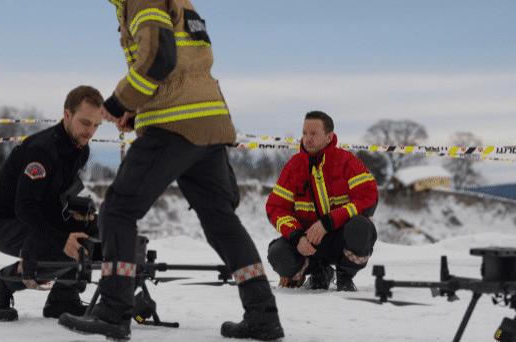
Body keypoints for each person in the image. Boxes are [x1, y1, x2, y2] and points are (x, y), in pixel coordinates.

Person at [58, 1, 283, 340]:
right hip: (209, 121)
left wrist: (120, 101)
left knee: (117, 211)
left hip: (174, 124)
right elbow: (183, 65)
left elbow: (160, 57)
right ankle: (263, 313)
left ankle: (114, 312)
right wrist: (137, 110)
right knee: (221, 221)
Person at [0, 85, 104, 321]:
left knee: (91, 237)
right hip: (1, 222)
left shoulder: (79, 150)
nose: (90, 132)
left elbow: (53, 198)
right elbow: (25, 208)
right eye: (85, 123)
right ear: (67, 115)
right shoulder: (41, 152)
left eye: (96, 125)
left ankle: (63, 298)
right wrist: (59, 238)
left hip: (33, 215)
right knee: (66, 248)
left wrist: (83, 220)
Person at [266, 111, 378, 292]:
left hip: (340, 240)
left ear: (329, 137)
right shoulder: (293, 166)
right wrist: (296, 236)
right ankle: (319, 272)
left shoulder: (347, 161)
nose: (307, 139)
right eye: (304, 133)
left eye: (313, 133)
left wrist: (329, 222)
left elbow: (369, 197)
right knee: (277, 253)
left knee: (361, 227)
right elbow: (276, 208)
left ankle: (345, 275)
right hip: (308, 242)